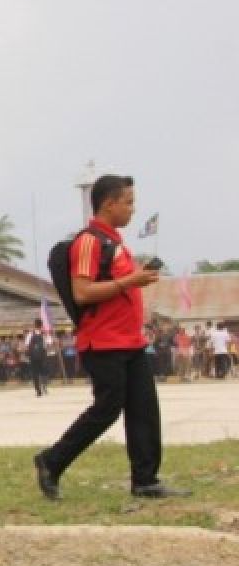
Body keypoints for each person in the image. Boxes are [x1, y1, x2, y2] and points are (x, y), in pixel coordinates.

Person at [34, 175, 187, 500]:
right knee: (107, 409)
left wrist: (134, 277)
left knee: (144, 408)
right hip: (103, 343)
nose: (133, 209)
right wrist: (130, 281)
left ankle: (145, 480)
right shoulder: (89, 242)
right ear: (109, 204)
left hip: (129, 341)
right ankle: (51, 460)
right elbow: (83, 291)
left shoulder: (114, 243)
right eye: (128, 202)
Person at [25, 319, 49, 396]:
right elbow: (48, 344)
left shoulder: (30, 334)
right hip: (43, 355)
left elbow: (27, 345)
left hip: (33, 356)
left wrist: (28, 353)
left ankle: (38, 391)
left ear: (34, 325)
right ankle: (44, 387)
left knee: (35, 373)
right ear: (41, 325)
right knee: (43, 372)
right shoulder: (44, 334)